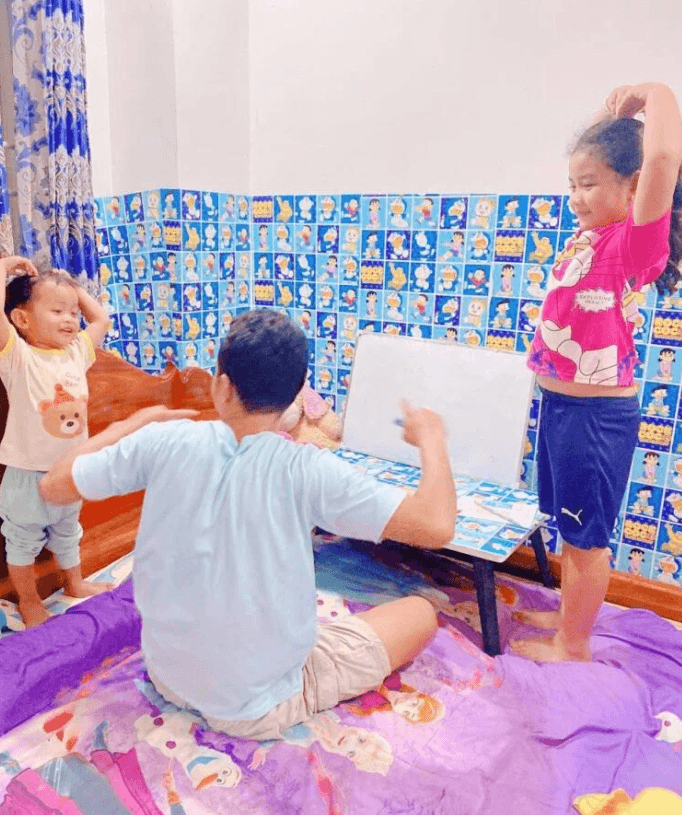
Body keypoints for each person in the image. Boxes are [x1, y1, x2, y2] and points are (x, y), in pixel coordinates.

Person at [40, 309, 457, 740]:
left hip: (170, 677)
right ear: (296, 396)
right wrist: (432, 439)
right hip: (253, 706)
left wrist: (131, 425)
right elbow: (437, 524)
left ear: (221, 386)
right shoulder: (308, 468)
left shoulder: (162, 440)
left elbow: (53, 485)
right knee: (420, 613)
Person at [514, 82, 682, 661]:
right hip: (562, 408)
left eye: (588, 186)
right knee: (567, 527)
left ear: (633, 189)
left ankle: (575, 645)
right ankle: (570, 624)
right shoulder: (590, 239)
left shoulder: (634, 245)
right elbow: (610, 155)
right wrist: (611, 123)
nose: (576, 197)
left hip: (594, 418)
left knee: (586, 539)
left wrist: (653, 93)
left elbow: (659, 157)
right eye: (572, 185)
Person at [0, 257, 111, 627]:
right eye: (57, 310)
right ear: (21, 319)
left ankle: (74, 583)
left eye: (73, 312)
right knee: (21, 541)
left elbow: (101, 321)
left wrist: (71, 287)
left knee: (68, 532)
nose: (70, 319)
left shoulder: (76, 353)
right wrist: (5, 266)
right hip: (27, 476)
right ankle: (29, 601)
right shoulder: (18, 356)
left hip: (69, 471)